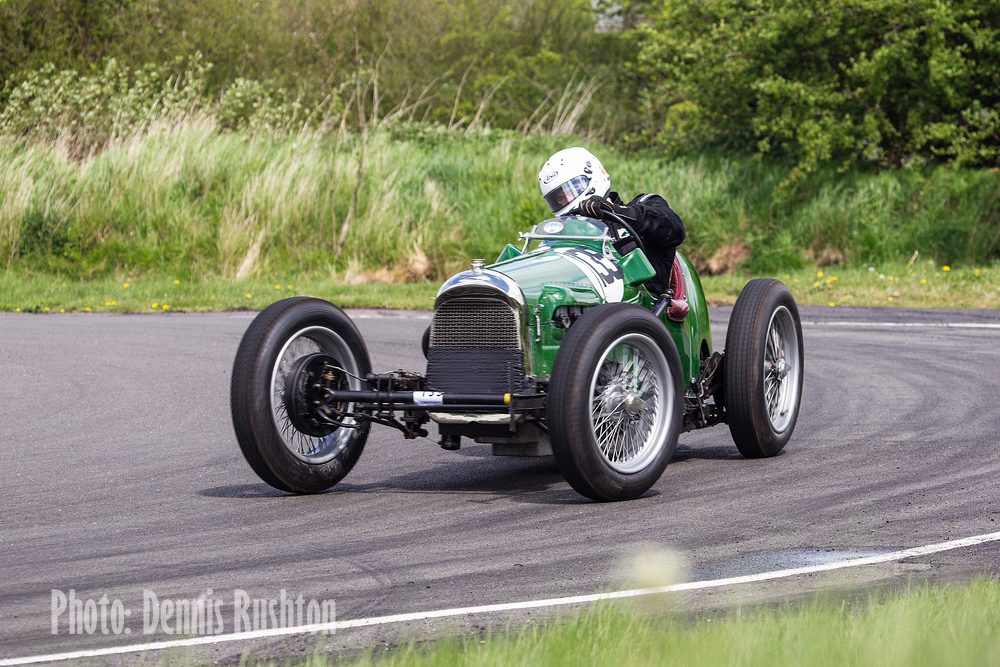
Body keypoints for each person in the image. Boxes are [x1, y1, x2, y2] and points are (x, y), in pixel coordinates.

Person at [537, 147, 685, 297]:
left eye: (570, 190)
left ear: (593, 175)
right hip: (586, 306)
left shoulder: (645, 204)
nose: (566, 200)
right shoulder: (565, 235)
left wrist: (618, 211)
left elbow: (675, 230)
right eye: (559, 198)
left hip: (643, 308)